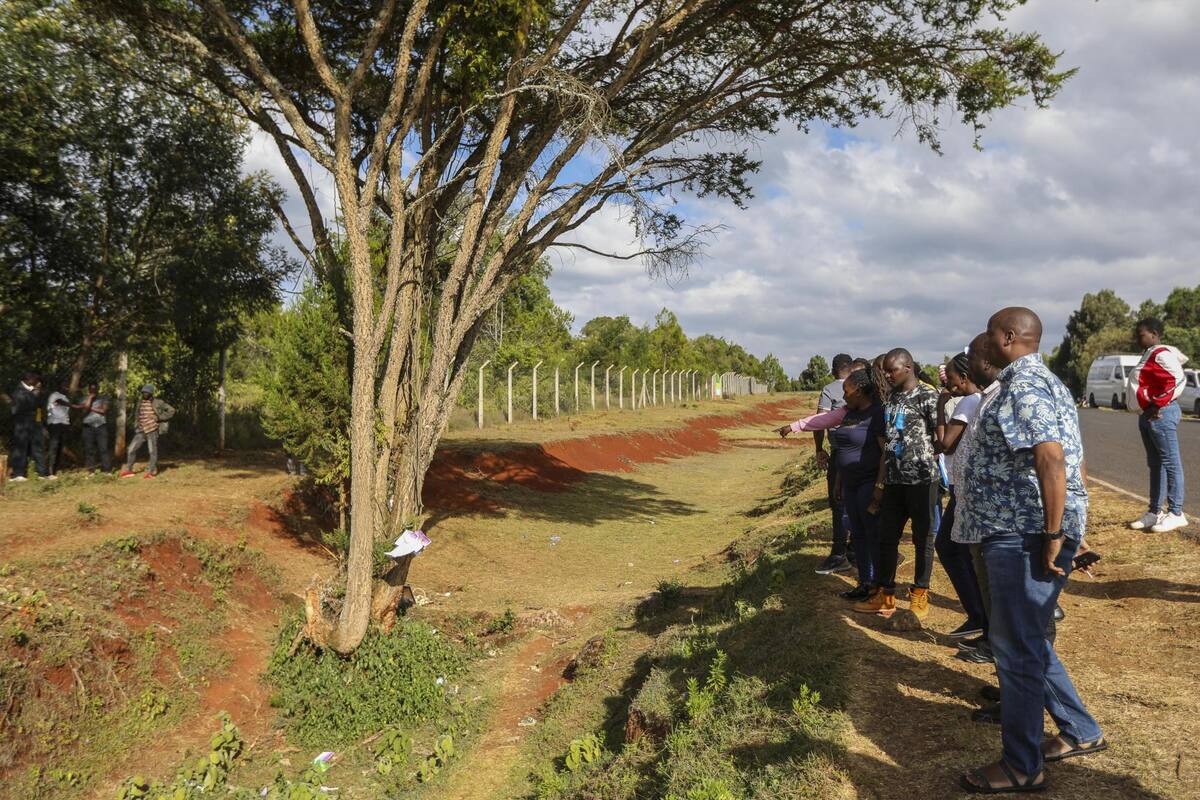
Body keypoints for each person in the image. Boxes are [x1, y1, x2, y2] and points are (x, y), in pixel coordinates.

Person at [958, 308, 1103, 795]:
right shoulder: (1043, 381)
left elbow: (1051, 456)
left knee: (1016, 650)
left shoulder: (1022, 385)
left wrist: (1056, 534)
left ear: (1007, 337)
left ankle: (1021, 764)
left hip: (1023, 534)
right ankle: (1080, 729)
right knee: (1028, 639)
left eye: (989, 333)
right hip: (1022, 530)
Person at [854, 348, 940, 619]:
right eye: (886, 371)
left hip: (922, 480)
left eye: (892, 370)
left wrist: (920, 454)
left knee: (922, 539)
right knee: (886, 538)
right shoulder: (891, 397)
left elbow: (940, 438)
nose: (888, 375)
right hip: (893, 480)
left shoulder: (928, 395)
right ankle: (886, 594)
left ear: (908, 367)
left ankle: (919, 594)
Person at [935, 352, 988, 638]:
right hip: (964, 486)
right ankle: (980, 614)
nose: (949, 384)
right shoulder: (983, 400)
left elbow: (945, 444)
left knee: (948, 546)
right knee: (964, 550)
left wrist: (941, 406)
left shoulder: (969, 401)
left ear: (964, 378)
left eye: (952, 378)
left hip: (963, 488)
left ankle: (978, 614)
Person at [830, 369, 887, 600]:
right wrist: (838, 481)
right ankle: (864, 582)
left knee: (871, 533)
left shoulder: (877, 414)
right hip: (849, 483)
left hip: (868, 482)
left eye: (847, 391)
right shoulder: (849, 413)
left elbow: (885, 453)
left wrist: (879, 486)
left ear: (860, 391)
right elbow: (843, 449)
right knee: (858, 535)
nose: (844, 397)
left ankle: (878, 584)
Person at [1128, 317, 1188, 532]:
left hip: (1160, 414)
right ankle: (1155, 511)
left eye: (1141, 334)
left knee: (1170, 462)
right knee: (1156, 464)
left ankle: (1176, 512)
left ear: (1154, 333)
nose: (1137, 338)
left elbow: (1178, 379)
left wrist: (1157, 403)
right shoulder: (1149, 353)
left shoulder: (1161, 353)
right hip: (1148, 414)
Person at [812, 353, 855, 575]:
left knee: (838, 503)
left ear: (833, 370)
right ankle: (855, 549)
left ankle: (839, 554)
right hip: (862, 453)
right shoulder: (862, 387)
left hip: (840, 452)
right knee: (857, 502)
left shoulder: (829, 389)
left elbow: (820, 422)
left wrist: (819, 449)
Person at [120, 384, 175, 478]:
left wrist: (159, 417)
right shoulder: (140, 402)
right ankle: (129, 470)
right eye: (144, 392)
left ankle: (150, 472)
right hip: (141, 430)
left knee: (152, 451)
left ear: (151, 393)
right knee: (131, 449)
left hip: (152, 430)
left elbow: (171, 410)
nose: (145, 393)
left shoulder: (158, 402)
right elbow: (137, 415)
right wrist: (136, 425)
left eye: (147, 392)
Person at [8, 372, 48, 481]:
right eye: (36, 379)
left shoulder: (32, 390)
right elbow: (25, 405)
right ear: (29, 379)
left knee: (38, 447)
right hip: (23, 423)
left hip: (35, 422)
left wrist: (37, 392)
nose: (38, 382)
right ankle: (18, 474)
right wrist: (36, 393)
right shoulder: (19, 391)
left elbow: (40, 404)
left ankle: (42, 473)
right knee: (21, 447)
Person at [76, 382, 112, 473]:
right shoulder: (83, 399)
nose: (93, 391)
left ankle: (107, 470)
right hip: (88, 427)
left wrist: (89, 408)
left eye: (95, 389)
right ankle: (91, 470)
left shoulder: (104, 398)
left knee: (103, 448)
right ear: (88, 390)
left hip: (101, 426)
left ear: (98, 389)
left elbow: (103, 410)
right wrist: (89, 399)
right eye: (91, 389)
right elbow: (83, 412)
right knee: (89, 449)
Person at [45, 378, 72, 478]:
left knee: (60, 447)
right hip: (55, 423)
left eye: (67, 385)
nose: (66, 387)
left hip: (64, 424)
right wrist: (74, 405)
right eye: (64, 384)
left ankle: (56, 470)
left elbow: (65, 412)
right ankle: (50, 471)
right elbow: (59, 402)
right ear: (59, 386)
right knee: (54, 447)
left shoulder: (65, 396)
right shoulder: (54, 395)